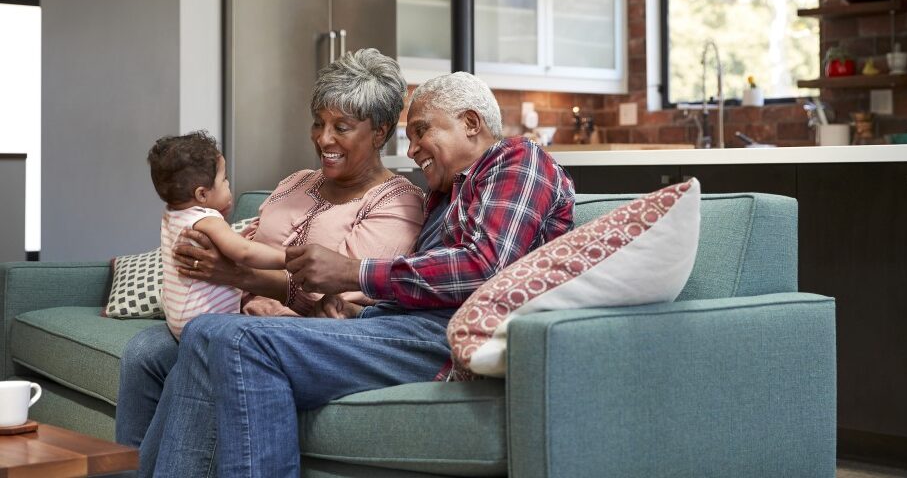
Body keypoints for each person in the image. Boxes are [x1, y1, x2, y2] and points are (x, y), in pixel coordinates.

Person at [138, 71, 575, 477]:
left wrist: (353, 272)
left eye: (422, 130)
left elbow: (483, 266)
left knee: (233, 338)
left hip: (451, 337)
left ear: (472, 123)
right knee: (203, 336)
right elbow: (420, 281)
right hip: (402, 325)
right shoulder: (447, 192)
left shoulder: (518, 160)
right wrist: (352, 311)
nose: (412, 149)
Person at [116, 48, 425, 447]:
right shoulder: (296, 181)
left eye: (342, 127)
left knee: (208, 350)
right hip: (237, 314)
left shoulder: (397, 202)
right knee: (144, 350)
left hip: (295, 334)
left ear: (380, 131)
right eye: (318, 123)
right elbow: (247, 241)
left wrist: (237, 277)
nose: (323, 138)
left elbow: (339, 290)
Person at [148, 131, 288, 339]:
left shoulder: (172, 215)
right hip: (208, 322)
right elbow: (244, 252)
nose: (228, 185)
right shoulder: (207, 220)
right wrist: (287, 259)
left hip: (179, 321)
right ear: (202, 194)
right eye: (224, 180)